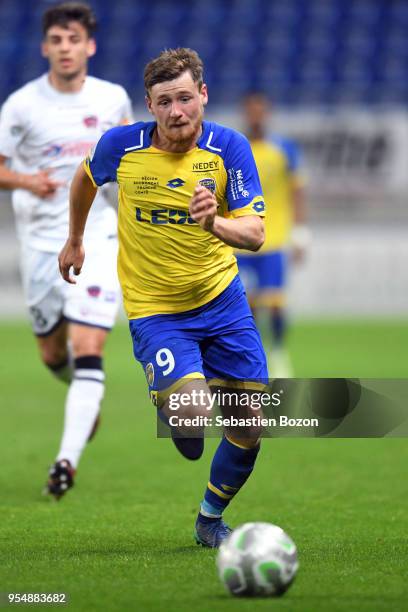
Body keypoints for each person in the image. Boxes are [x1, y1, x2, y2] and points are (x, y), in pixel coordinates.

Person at [59, 48, 268, 547]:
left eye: (185, 98)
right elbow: (85, 179)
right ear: (149, 106)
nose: (177, 111)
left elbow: (256, 233)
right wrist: (75, 238)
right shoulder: (122, 148)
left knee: (251, 425)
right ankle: (176, 403)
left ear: (203, 95)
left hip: (222, 302)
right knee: (192, 412)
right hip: (157, 311)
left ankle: (209, 520)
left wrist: (212, 221)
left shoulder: (229, 149)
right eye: (164, 101)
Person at [0, 2, 133, 499]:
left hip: (98, 239)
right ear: (45, 47)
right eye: (56, 41)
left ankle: (64, 463)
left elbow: (128, 162)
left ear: (89, 46)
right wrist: (22, 179)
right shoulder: (20, 105)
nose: (65, 48)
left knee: (89, 346)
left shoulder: (113, 99)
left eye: (73, 40)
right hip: (39, 247)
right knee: (53, 354)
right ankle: (83, 392)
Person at [237, 93, 309, 377]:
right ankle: (253, 357)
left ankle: (278, 352)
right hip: (240, 243)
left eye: (260, 110)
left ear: (267, 112)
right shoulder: (235, 147)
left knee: (276, 303)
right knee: (246, 307)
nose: (255, 116)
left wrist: (301, 232)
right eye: (251, 110)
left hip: (274, 239)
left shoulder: (283, 149)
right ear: (245, 113)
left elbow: (297, 190)